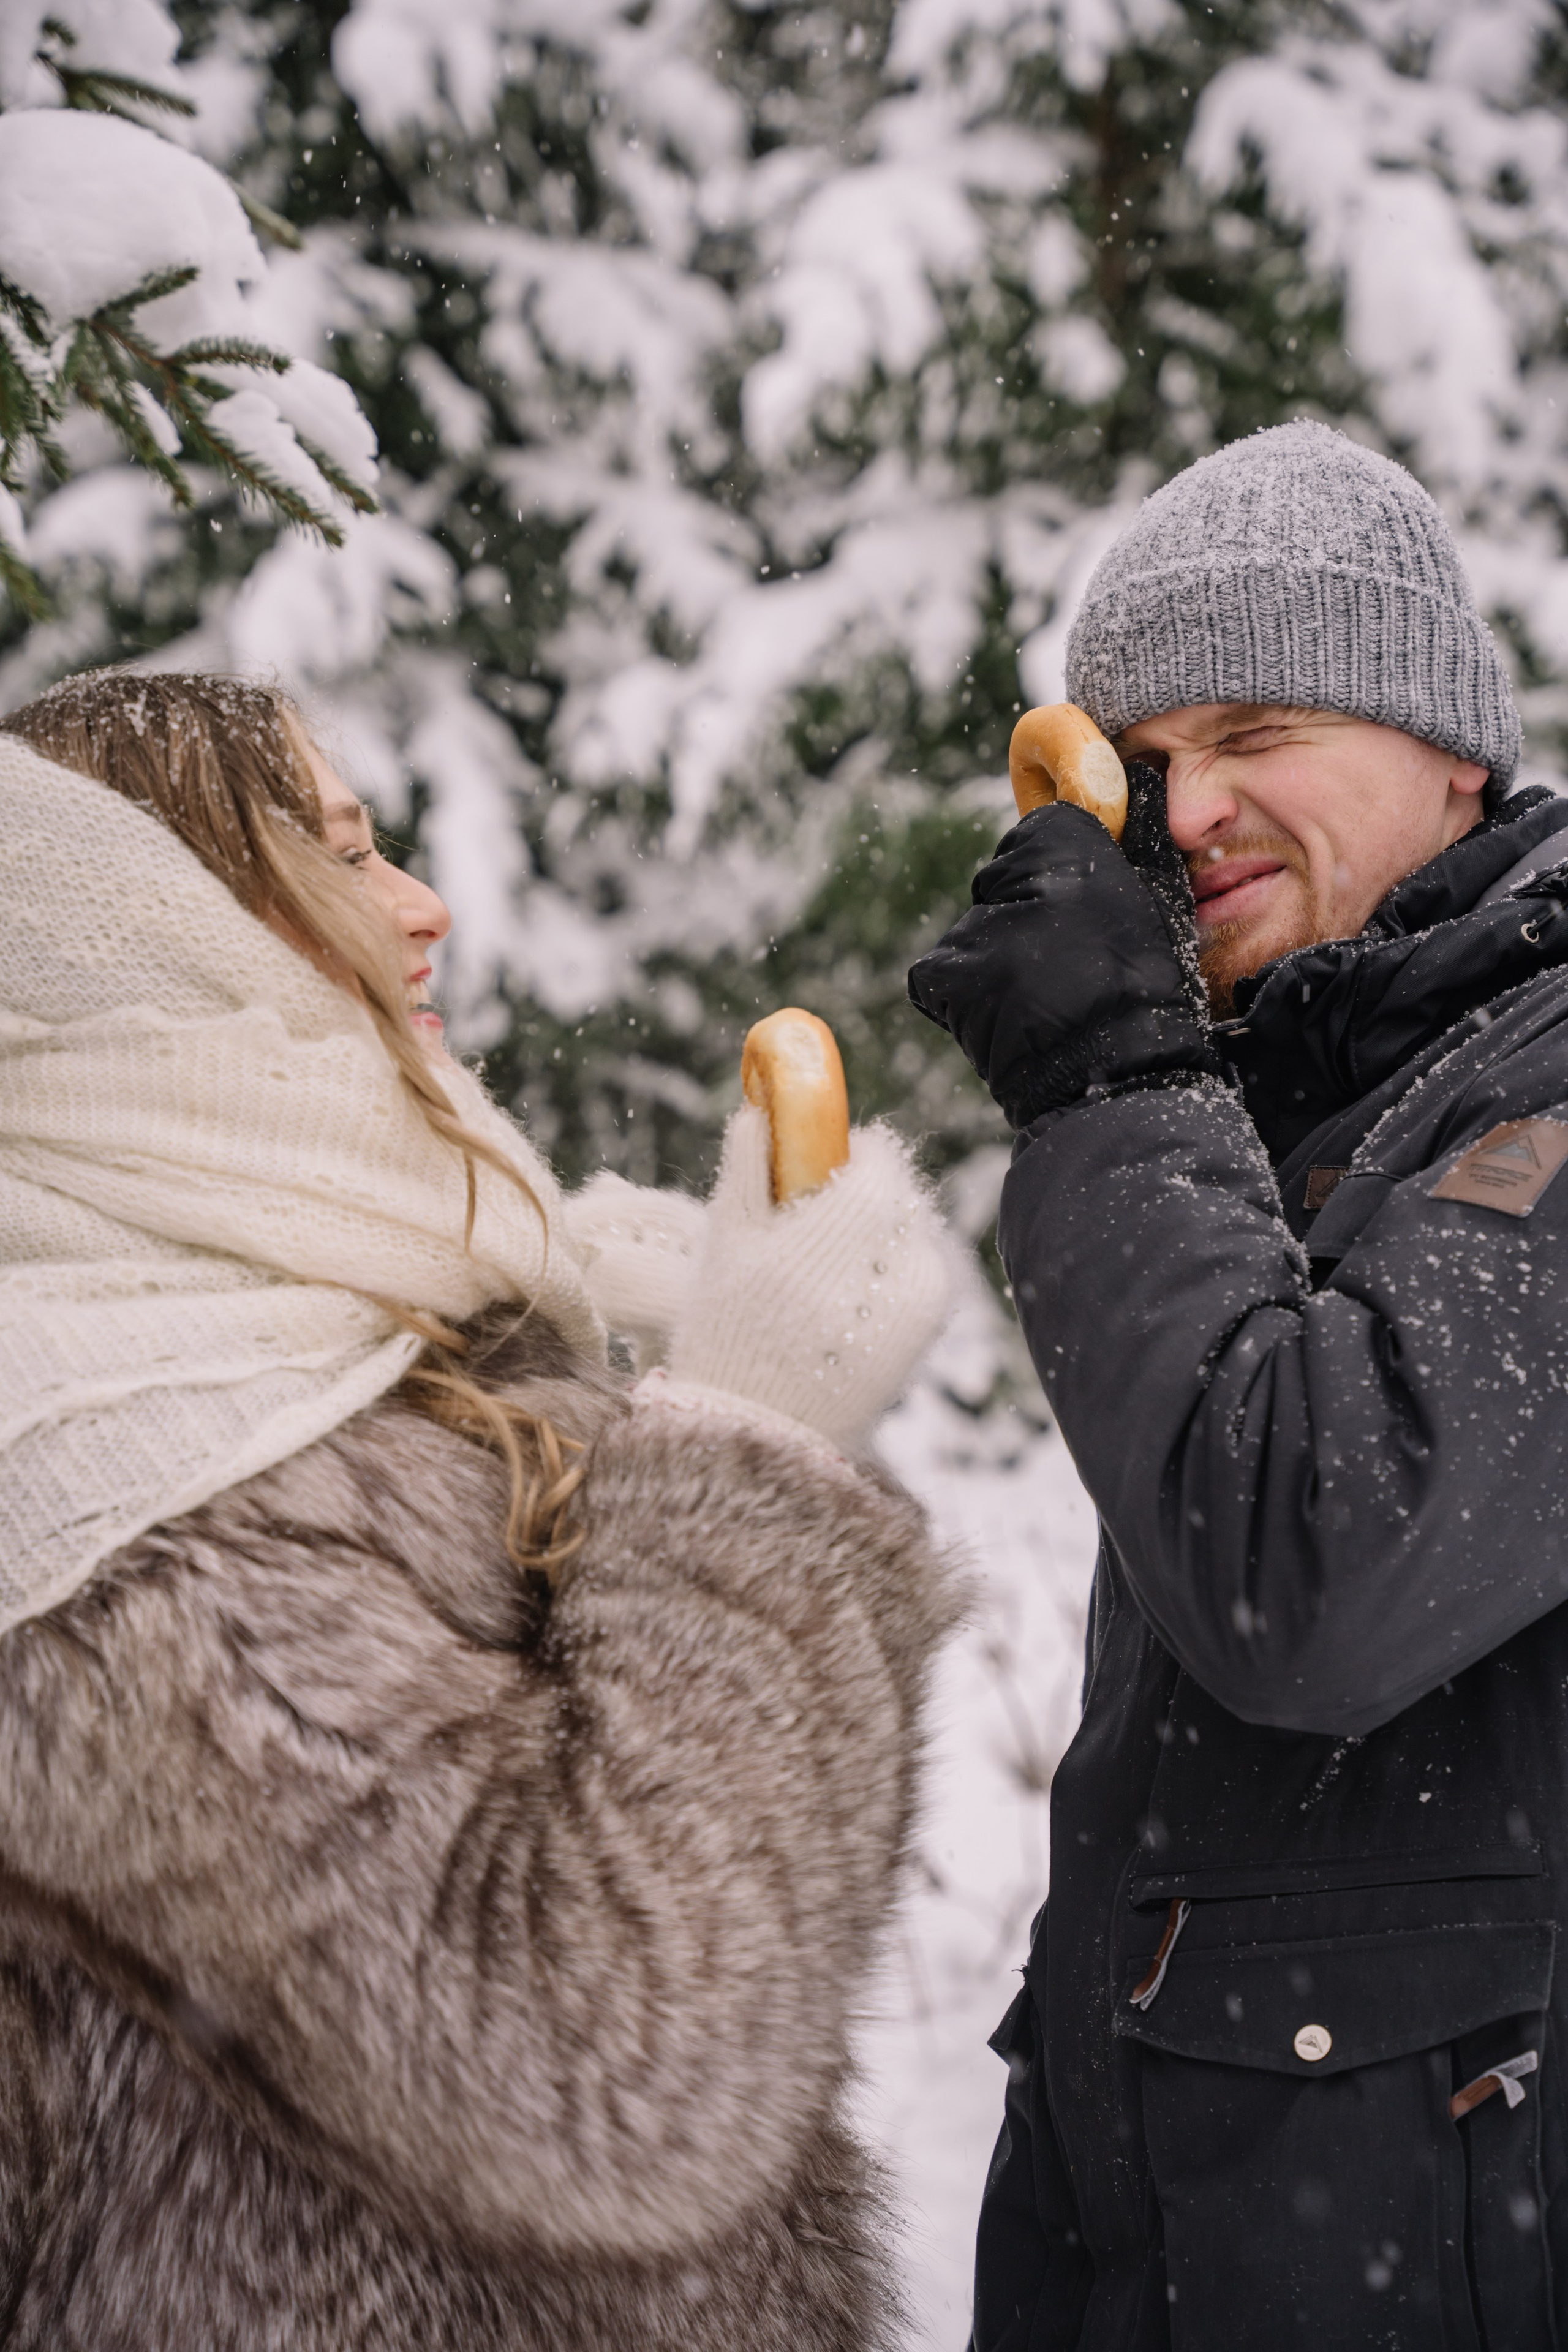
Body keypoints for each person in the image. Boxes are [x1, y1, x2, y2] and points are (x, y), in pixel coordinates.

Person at [0, 666, 956, 2351]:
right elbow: (610, 2073)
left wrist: (574, 1384)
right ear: (163, 937)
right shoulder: (117, 1503)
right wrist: (753, 1442)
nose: (423, 906)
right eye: (344, 859)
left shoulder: (262, 1350)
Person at [910, 420, 1568, 2349]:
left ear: (1454, 745)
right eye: (1150, 763)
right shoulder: (1289, 1116)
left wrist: (1112, 1080)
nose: (1188, 813)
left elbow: (1313, 1556)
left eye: (1258, 730)